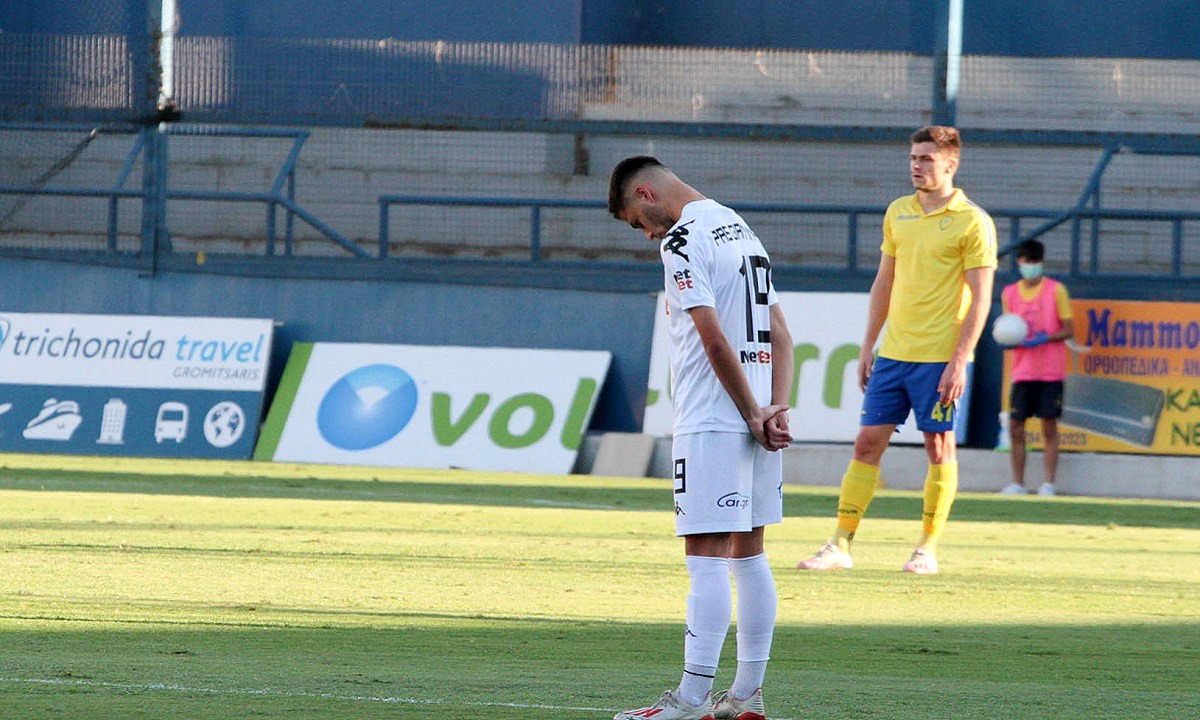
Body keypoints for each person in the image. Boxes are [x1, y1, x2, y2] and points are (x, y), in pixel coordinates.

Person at [607, 156, 795, 720]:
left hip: (713, 418)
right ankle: (747, 695)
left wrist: (750, 413)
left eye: (637, 221)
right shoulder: (739, 228)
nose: (647, 235)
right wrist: (774, 408)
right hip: (756, 415)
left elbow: (713, 341)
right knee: (750, 555)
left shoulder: (683, 240)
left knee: (706, 558)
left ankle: (690, 701)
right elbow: (782, 335)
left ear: (645, 193)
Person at [796, 126, 997, 576]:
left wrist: (959, 361)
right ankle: (840, 544)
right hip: (894, 354)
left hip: (939, 358)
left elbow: (981, 298)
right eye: (913, 158)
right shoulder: (898, 212)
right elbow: (884, 282)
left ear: (950, 164)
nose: (916, 166)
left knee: (939, 447)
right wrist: (868, 346)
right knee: (866, 443)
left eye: (926, 158)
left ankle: (926, 549)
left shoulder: (973, 221)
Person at [998, 239, 1074, 497]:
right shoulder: (1009, 293)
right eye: (1026, 262)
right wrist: (1009, 340)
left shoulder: (1056, 290)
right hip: (1022, 371)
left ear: (1041, 262)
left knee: (1048, 426)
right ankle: (1017, 483)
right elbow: (1009, 327)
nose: (1030, 266)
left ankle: (1048, 483)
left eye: (1035, 262)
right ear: (1019, 262)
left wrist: (1045, 338)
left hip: (1050, 372)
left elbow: (1069, 329)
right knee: (1016, 427)